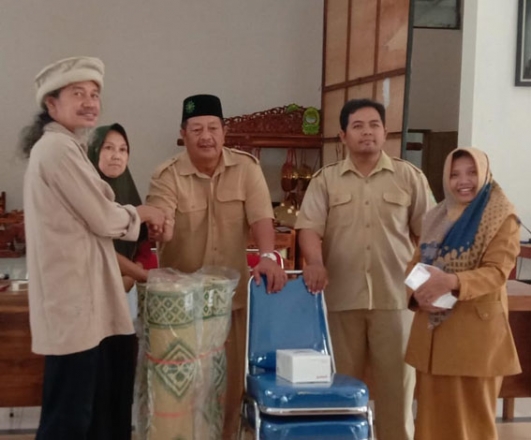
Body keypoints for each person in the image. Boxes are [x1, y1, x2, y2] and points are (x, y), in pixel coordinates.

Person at [20, 56, 167, 440]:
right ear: (52, 103)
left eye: (94, 94)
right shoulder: (57, 149)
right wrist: (142, 214)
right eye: (77, 93)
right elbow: (102, 217)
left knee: (92, 407)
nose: (89, 102)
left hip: (87, 300)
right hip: (73, 303)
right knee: (69, 416)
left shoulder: (69, 147)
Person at [146, 94, 287, 440]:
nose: (206, 136)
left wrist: (268, 256)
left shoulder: (246, 168)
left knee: (229, 388)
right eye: (196, 129)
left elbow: (261, 218)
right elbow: (162, 213)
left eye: (212, 128)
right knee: (180, 392)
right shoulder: (167, 175)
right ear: (183, 134)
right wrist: (161, 226)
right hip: (180, 308)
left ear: (224, 131)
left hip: (231, 303)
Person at [295, 98, 433, 440]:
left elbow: (429, 236)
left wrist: (422, 283)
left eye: (374, 125)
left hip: (396, 301)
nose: (367, 132)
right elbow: (309, 227)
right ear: (343, 135)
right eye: (357, 126)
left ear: (385, 132)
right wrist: (316, 262)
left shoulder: (408, 176)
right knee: (341, 391)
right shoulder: (326, 180)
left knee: (397, 396)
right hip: (341, 300)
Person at [405, 147, 521, 440]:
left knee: (472, 423)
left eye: (471, 172)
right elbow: (415, 263)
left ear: (484, 174)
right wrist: (418, 294)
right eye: (454, 174)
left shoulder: (502, 216)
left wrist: (451, 281)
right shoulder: (436, 216)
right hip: (432, 335)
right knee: (431, 423)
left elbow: (497, 272)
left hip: (475, 339)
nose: (463, 181)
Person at [88, 123, 157, 292]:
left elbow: (143, 247)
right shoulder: (85, 194)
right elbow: (99, 249)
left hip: (129, 286)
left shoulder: (127, 190)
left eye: (123, 150)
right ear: (94, 152)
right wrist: (139, 275)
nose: (116, 156)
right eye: (108, 148)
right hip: (93, 287)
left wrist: (132, 275)